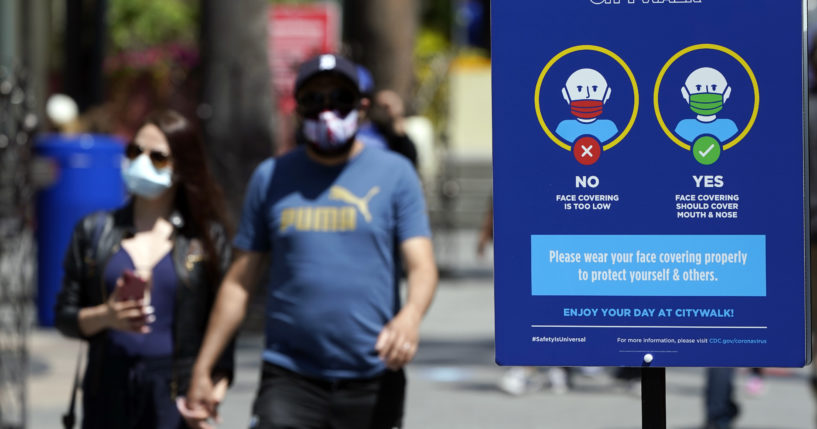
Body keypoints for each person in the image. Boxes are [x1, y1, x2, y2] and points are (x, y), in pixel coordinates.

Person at [181, 53, 438, 429]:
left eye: (340, 99)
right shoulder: (271, 177)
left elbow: (422, 265)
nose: (327, 110)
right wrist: (204, 367)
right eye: (314, 100)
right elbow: (239, 282)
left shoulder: (396, 174)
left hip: (373, 376)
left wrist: (410, 317)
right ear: (298, 110)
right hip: (289, 377)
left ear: (362, 108)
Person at [54, 109, 235, 429]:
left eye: (158, 157)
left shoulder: (205, 239)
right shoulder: (94, 230)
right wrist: (106, 316)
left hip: (174, 395)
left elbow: (222, 324)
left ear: (181, 167)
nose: (142, 162)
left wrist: (212, 387)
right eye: (135, 151)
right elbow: (65, 317)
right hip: (107, 392)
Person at [674, 67, 738, 143]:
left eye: (714, 88)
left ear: (727, 93)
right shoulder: (683, 128)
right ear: (685, 93)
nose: (706, 93)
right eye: (698, 88)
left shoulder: (729, 127)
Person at [555, 68, 618, 144]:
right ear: (565, 94)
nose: (587, 95)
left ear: (607, 94)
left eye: (594, 89)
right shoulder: (563, 128)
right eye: (579, 89)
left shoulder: (610, 128)